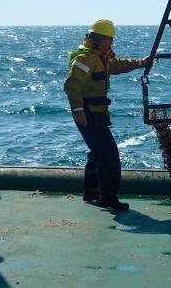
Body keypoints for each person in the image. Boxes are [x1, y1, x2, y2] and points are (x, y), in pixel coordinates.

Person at [64, 19, 152, 211]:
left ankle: (92, 193)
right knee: (109, 155)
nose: (112, 43)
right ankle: (108, 198)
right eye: (109, 39)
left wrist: (140, 63)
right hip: (87, 114)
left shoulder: (102, 57)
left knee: (98, 153)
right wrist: (79, 111)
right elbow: (72, 85)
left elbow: (117, 65)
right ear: (100, 39)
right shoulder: (85, 59)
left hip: (98, 114)